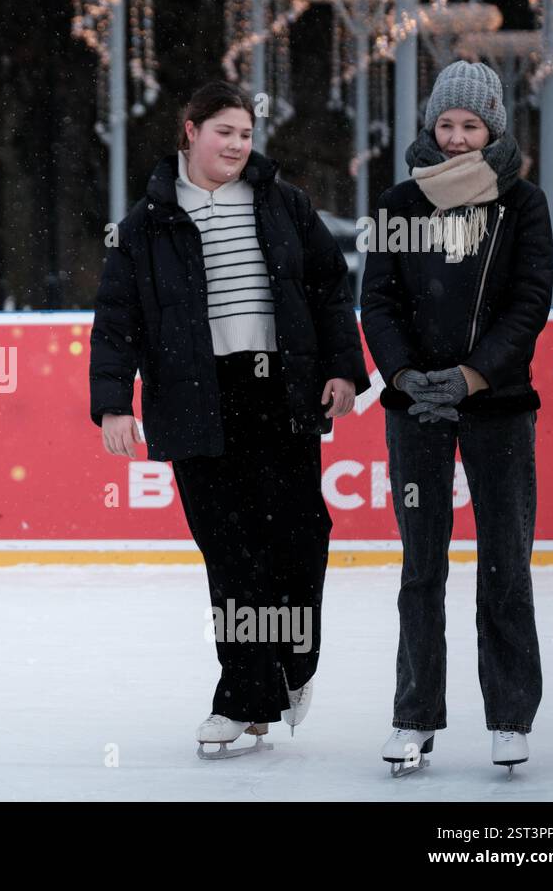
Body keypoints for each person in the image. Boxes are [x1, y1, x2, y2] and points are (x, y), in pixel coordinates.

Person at [89, 80, 370, 758]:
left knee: (300, 535)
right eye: (225, 132)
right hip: (195, 396)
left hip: (279, 393)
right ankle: (244, 698)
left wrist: (343, 369)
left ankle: (291, 665)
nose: (238, 145)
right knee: (231, 551)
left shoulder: (283, 203)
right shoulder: (145, 225)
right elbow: (116, 321)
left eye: (246, 134)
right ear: (190, 131)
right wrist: (110, 405)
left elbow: (330, 288)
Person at [362, 60, 552, 775]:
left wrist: (472, 375)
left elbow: (530, 301)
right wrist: (409, 376)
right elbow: (376, 300)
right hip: (416, 410)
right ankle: (414, 717)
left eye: (471, 125)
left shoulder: (522, 204)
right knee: (421, 566)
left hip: (499, 407)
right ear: (431, 126)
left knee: (505, 561)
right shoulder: (400, 203)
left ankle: (509, 716)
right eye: (446, 123)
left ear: (493, 127)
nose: (457, 137)